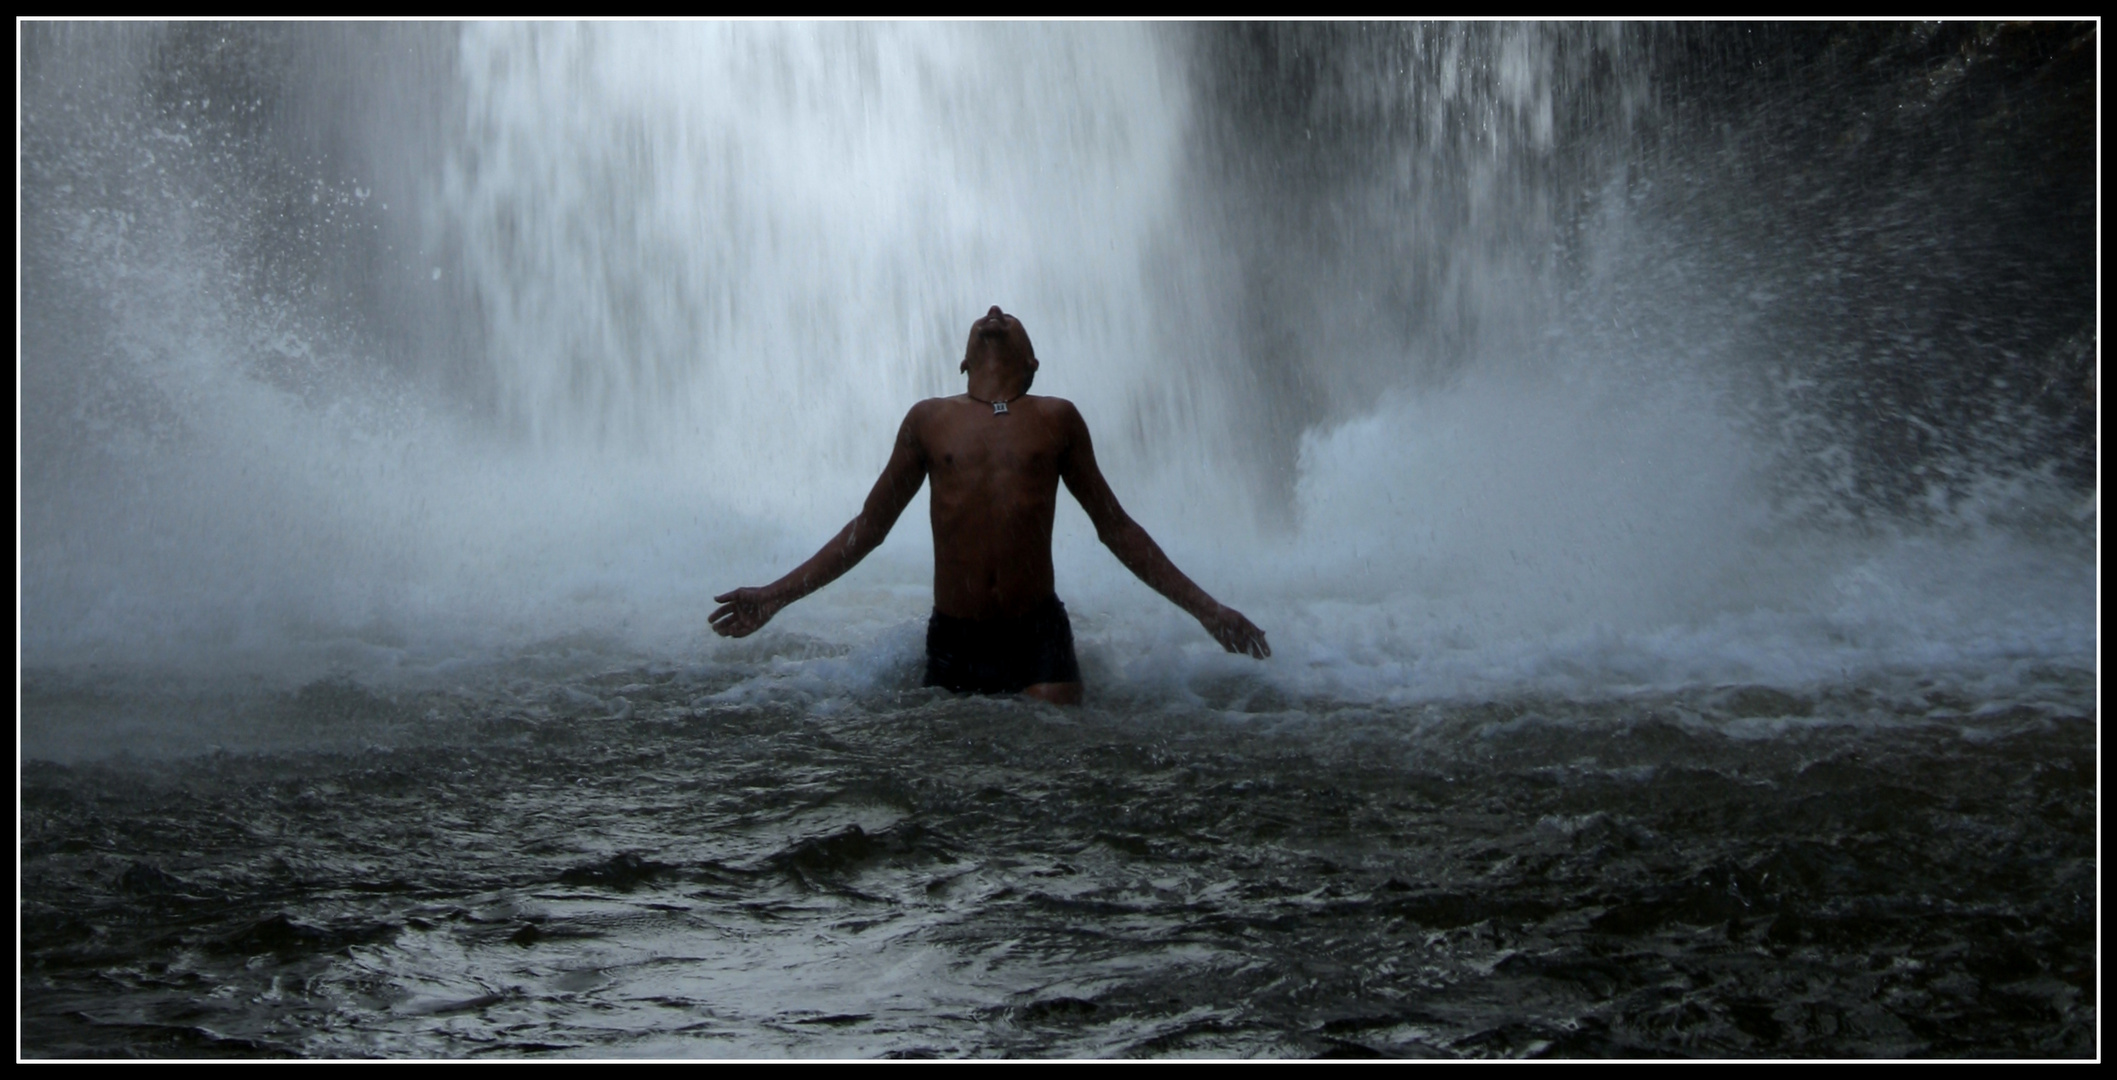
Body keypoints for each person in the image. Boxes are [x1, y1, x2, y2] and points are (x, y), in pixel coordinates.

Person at [710, 306, 1269, 704]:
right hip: (956, 637)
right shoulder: (928, 419)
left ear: (1032, 362)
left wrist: (1207, 609)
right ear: (962, 363)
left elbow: (1116, 528)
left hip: (1037, 634)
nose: (995, 309)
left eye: (1010, 316)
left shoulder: (1057, 418)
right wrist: (776, 596)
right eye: (985, 314)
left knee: (1050, 767)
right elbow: (868, 529)